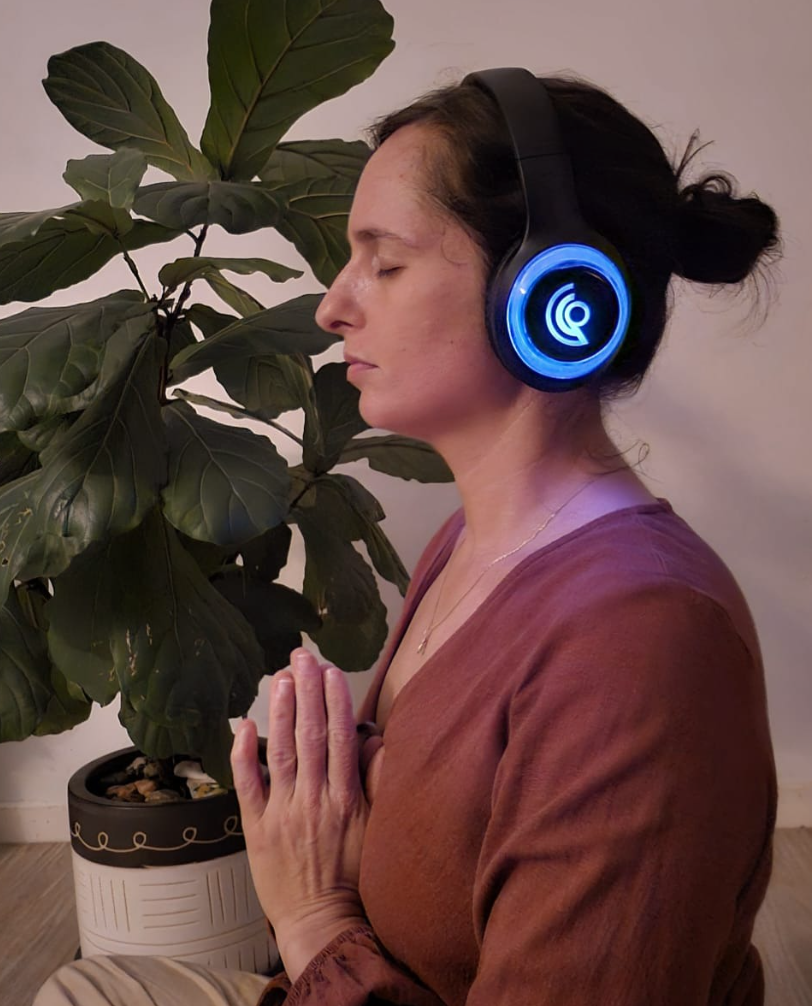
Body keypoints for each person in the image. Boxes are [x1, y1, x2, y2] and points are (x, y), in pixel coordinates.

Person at [35, 69, 779, 1006]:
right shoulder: (474, 541)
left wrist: (313, 916)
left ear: (550, 291)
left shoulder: (642, 646)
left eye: (384, 263)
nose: (332, 306)